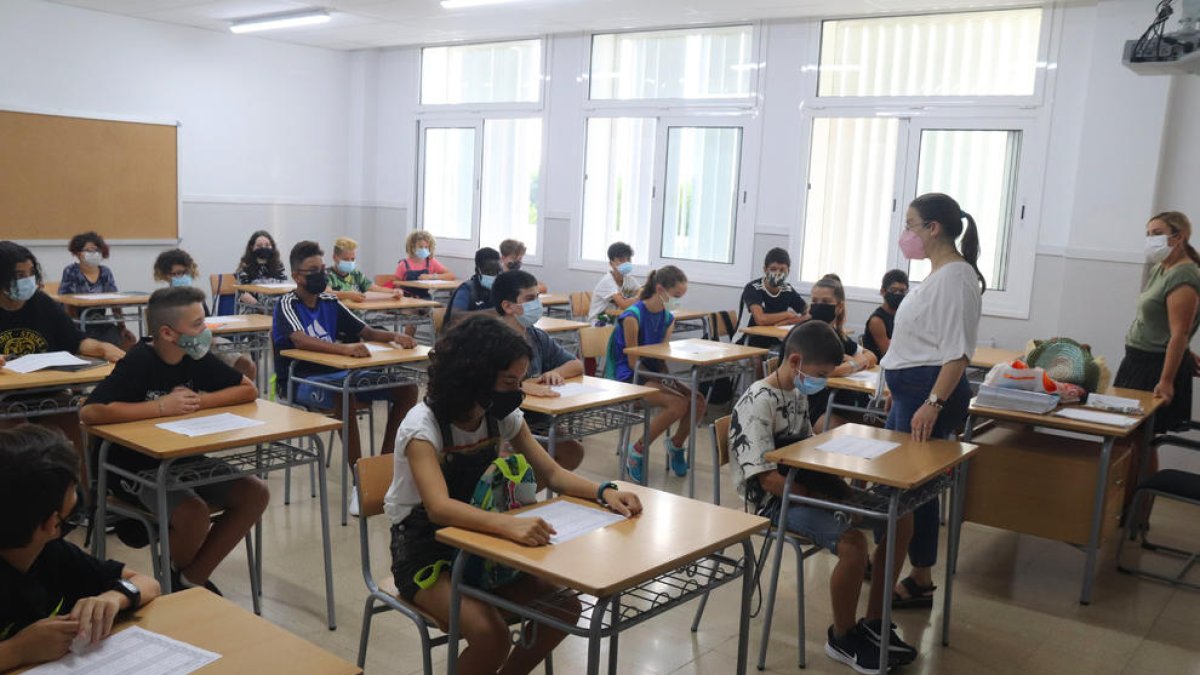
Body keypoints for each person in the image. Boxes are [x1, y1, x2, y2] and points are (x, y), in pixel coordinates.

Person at [384, 314, 641, 675]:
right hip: (426, 553)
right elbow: (439, 508)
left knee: (562, 609)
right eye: (509, 382)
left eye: (520, 381)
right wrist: (507, 527)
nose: (517, 391)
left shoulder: (498, 414)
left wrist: (604, 490)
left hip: (483, 542)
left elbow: (550, 471)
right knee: (492, 635)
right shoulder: (421, 427)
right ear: (474, 375)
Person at [729, 322, 915, 673]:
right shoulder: (757, 402)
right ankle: (842, 637)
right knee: (853, 544)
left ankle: (875, 622)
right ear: (795, 360)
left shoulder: (797, 395)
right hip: (775, 502)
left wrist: (843, 493)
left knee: (901, 515)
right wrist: (832, 504)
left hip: (806, 489)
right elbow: (770, 480)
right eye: (819, 374)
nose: (822, 382)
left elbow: (806, 457)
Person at [80, 286, 269, 595]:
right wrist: (160, 407)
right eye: (197, 325)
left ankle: (186, 580)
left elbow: (247, 389)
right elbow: (91, 412)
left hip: (183, 458)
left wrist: (198, 402)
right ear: (167, 333)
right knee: (194, 514)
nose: (205, 331)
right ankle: (178, 585)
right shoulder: (139, 361)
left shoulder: (195, 356)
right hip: (132, 466)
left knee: (255, 493)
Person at [881, 193, 984, 609]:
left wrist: (932, 403)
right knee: (904, 487)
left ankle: (920, 577)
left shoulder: (956, 277)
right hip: (913, 393)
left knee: (914, 490)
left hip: (929, 396)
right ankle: (897, 564)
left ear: (933, 228)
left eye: (911, 225)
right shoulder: (939, 274)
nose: (906, 234)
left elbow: (956, 353)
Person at [0, 425, 160, 671]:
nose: (78, 496)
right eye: (73, 490)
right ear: (53, 523)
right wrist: (17, 650)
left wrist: (115, 597)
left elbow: (148, 583)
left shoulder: (51, 552)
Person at [273, 241, 420, 473]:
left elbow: (365, 331)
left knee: (407, 388)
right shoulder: (287, 303)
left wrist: (395, 336)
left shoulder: (330, 302)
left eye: (322, 270)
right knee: (344, 392)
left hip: (340, 372)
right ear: (297, 277)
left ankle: (383, 467)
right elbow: (300, 339)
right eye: (313, 272)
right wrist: (345, 349)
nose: (321, 275)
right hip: (301, 379)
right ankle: (359, 476)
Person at [0, 241, 125, 450]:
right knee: (19, 439)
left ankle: (77, 482)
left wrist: (103, 348)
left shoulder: (42, 303)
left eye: (30, 273)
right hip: (5, 399)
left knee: (75, 423)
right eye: (19, 275)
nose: (27, 280)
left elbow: (76, 341)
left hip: (47, 393)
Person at [1113, 211, 1200, 508]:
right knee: (1129, 440)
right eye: (1148, 233)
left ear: (1178, 237)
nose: (1150, 239)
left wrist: (1166, 380)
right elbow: (1166, 326)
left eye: (1157, 233)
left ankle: (1137, 513)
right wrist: (1187, 352)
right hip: (1136, 361)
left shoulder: (1185, 275)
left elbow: (1179, 332)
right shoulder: (1163, 267)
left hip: (1155, 368)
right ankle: (1126, 509)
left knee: (1140, 442)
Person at [604, 266, 706, 482]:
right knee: (678, 404)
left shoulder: (668, 318)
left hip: (651, 373)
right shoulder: (633, 316)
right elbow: (633, 361)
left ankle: (676, 445)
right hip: (630, 376)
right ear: (660, 289)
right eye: (676, 295)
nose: (678, 300)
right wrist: (664, 383)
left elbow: (660, 357)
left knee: (698, 400)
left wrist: (673, 383)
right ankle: (637, 450)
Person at [491, 270, 585, 472]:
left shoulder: (535, 335)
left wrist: (551, 374)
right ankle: (512, 497)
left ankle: (524, 498)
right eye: (530, 299)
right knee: (510, 462)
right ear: (508, 306)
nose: (537, 304)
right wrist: (525, 386)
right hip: (500, 419)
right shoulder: (491, 338)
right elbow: (484, 381)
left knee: (573, 452)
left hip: (536, 418)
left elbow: (576, 365)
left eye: (537, 298)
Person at [152, 249, 256, 381]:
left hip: (208, 341)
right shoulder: (162, 302)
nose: (181, 277)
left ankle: (243, 396)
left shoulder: (196, 297)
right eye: (176, 274)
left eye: (184, 273)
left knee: (247, 366)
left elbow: (206, 322)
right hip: (186, 348)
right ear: (166, 276)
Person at [806, 274, 877, 431]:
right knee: (858, 434)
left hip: (837, 403)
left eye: (825, 302)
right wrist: (854, 363)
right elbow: (819, 373)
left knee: (878, 427)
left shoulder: (835, 333)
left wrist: (853, 360)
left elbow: (871, 356)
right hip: (809, 409)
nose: (818, 306)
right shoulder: (807, 333)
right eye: (815, 301)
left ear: (839, 307)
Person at [58, 231, 136, 351]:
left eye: (97, 250)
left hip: (99, 323)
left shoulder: (105, 272)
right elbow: (68, 302)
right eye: (89, 250)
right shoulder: (71, 271)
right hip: (77, 323)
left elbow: (114, 301)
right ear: (78, 253)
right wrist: (76, 331)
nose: (94, 253)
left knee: (128, 340)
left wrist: (122, 327)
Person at [739, 247, 808, 348]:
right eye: (773, 269)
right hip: (747, 339)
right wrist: (787, 314)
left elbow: (809, 313)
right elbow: (761, 320)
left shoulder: (787, 289)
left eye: (782, 270)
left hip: (775, 340)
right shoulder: (753, 288)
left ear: (788, 271)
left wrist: (790, 321)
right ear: (765, 270)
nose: (777, 273)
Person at [326, 236, 401, 303]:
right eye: (345, 259)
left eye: (352, 259)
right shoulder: (327, 274)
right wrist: (348, 295)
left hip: (358, 313)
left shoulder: (355, 274)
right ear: (335, 257)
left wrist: (393, 292)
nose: (350, 262)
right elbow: (327, 293)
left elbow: (373, 287)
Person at [445, 247, 502, 329]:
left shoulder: (500, 288)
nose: (494, 275)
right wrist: (491, 313)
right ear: (477, 271)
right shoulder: (467, 289)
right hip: (462, 336)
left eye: (498, 271)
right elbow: (455, 317)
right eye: (489, 271)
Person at [587, 242, 640, 326]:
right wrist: (637, 298)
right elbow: (624, 304)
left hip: (615, 318)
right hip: (599, 320)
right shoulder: (608, 281)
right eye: (621, 260)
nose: (626, 263)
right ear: (611, 263)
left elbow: (643, 291)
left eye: (628, 259)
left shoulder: (629, 279)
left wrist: (636, 298)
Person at [390, 231, 454, 301]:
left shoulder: (430, 261)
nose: (424, 249)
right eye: (420, 247)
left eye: (426, 247)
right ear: (412, 247)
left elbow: (450, 275)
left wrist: (432, 277)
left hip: (424, 297)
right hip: (407, 298)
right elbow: (396, 284)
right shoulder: (403, 264)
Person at [862, 270, 909, 361]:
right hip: (880, 368)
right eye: (893, 290)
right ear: (883, 291)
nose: (898, 294)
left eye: (902, 291)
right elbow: (888, 353)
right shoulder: (877, 320)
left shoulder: (903, 315)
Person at [234, 230, 287, 309]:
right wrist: (261, 308)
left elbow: (284, 287)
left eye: (267, 245)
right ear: (252, 247)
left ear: (272, 246)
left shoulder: (278, 266)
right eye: (259, 246)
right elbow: (242, 294)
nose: (263, 248)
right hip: (253, 308)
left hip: (275, 307)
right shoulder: (245, 267)